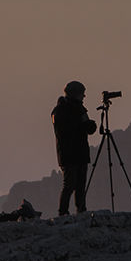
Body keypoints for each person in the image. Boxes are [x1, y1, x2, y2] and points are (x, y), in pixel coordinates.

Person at [52, 82, 98, 216]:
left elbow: (88, 129)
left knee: (80, 185)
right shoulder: (59, 111)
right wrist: (81, 126)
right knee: (69, 185)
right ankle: (63, 212)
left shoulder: (80, 109)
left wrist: (90, 126)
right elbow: (62, 131)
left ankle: (81, 210)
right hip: (68, 154)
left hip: (81, 153)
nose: (84, 96)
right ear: (74, 94)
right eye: (81, 93)